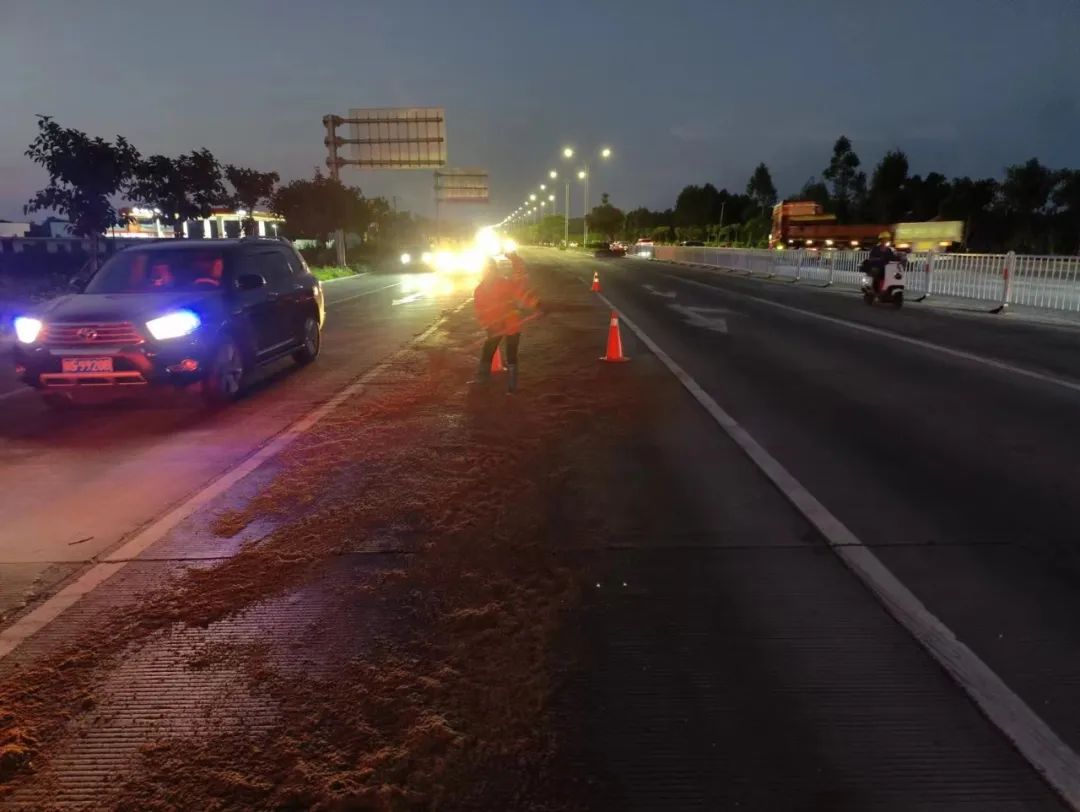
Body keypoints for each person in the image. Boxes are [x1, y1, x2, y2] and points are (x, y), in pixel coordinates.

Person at [473, 256, 538, 393]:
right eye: (487, 270)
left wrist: (536, 304)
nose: (489, 272)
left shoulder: (503, 283)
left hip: (510, 324)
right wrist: (488, 326)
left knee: (510, 354)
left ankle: (511, 385)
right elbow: (480, 312)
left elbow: (522, 294)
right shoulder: (480, 290)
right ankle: (485, 379)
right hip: (496, 326)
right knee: (489, 350)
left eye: (490, 269)